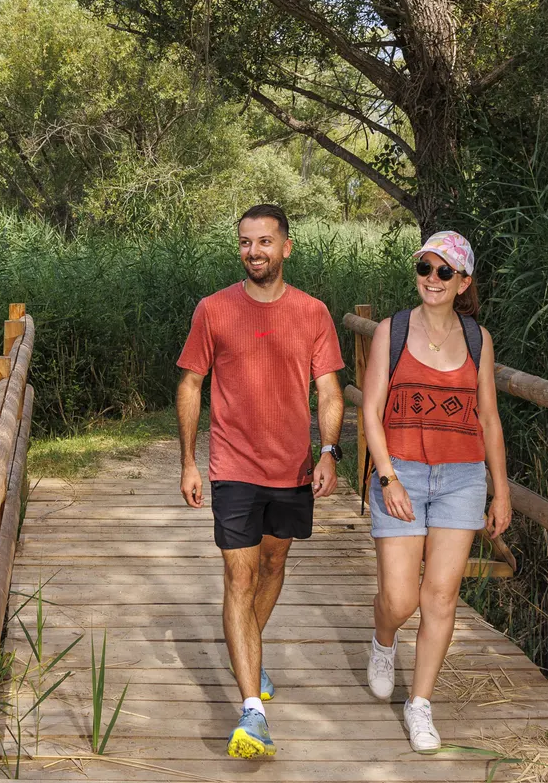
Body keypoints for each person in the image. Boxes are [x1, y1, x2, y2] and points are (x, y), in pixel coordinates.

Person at [176, 204, 346, 759]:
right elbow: (191, 384)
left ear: (286, 248)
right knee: (239, 577)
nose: (254, 251)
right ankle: (252, 711)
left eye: (265, 242)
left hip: (292, 467)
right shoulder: (213, 310)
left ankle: (249, 651)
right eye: (246, 242)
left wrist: (328, 452)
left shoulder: (313, 313)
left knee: (273, 565)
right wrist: (188, 460)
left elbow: (329, 392)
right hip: (233, 467)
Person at [357, 230, 512, 752]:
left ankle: (419, 703)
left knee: (441, 596)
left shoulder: (478, 339)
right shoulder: (392, 331)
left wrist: (502, 492)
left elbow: (488, 419)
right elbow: (370, 410)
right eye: (425, 268)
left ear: (464, 281)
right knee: (400, 599)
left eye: (445, 272)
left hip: (462, 477)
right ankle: (383, 640)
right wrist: (387, 476)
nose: (432, 279)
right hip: (400, 471)